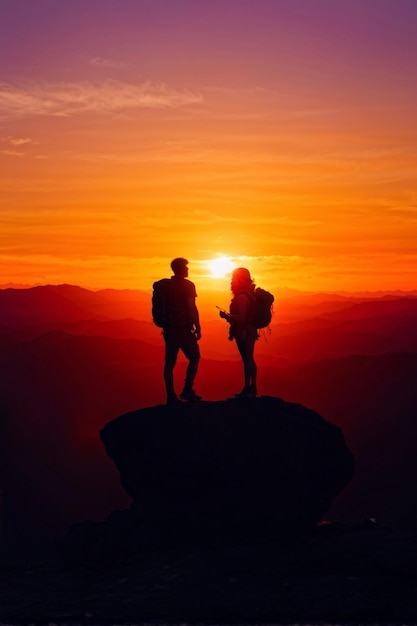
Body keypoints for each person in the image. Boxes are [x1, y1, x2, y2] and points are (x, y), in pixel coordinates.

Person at [162, 257, 202, 404]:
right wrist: (198, 326)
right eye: (186, 267)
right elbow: (192, 307)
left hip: (168, 329)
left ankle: (170, 395)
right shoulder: (188, 285)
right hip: (183, 328)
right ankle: (187, 390)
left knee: (169, 363)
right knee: (194, 357)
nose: (188, 270)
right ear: (181, 269)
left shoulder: (166, 285)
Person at [219, 267, 258, 398]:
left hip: (244, 332)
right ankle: (252, 387)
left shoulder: (241, 296)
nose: (232, 281)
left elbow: (242, 317)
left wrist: (227, 316)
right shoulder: (249, 293)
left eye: (234, 278)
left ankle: (248, 389)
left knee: (247, 359)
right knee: (250, 359)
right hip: (250, 331)